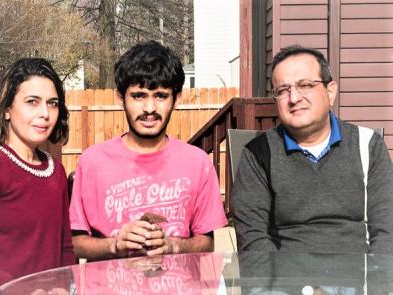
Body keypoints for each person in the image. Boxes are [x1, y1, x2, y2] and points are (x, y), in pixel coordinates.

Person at [69, 40, 227, 261]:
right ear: (120, 98)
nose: (150, 109)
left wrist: (173, 246)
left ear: (177, 99)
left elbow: (207, 243)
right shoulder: (92, 162)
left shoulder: (198, 162)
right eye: (138, 95)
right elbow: (75, 244)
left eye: (161, 96)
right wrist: (115, 245)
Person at [232, 45, 393, 254]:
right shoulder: (258, 154)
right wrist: (276, 287)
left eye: (305, 85)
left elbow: (387, 232)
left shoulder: (367, 146)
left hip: (357, 279)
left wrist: (376, 284)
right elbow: (253, 241)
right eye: (282, 90)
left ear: (330, 91)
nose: (293, 98)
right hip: (285, 282)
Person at [0, 58, 75, 294]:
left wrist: (63, 288)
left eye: (52, 103)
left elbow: (65, 249)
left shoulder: (55, 170)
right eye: (32, 102)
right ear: (7, 109)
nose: (45, 113)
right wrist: (19, 291)